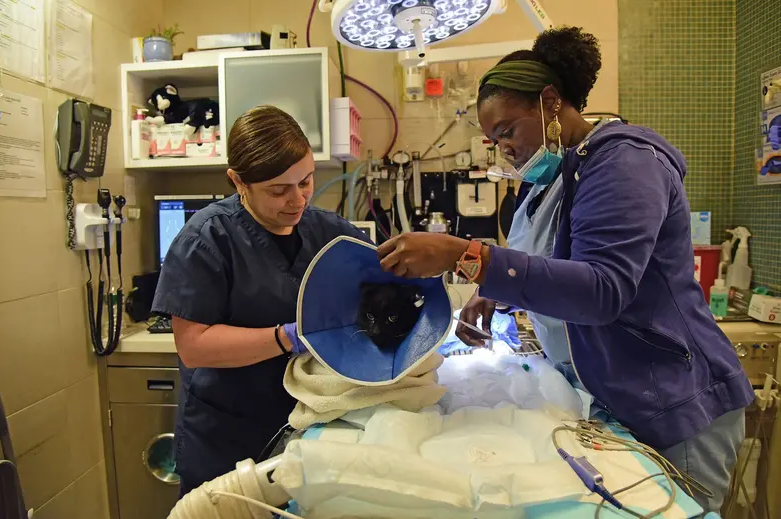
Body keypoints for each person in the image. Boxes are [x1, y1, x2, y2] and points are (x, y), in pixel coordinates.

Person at [377, 27, 754, 512]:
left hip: (672, 403)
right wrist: (497, 293)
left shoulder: (625, 162)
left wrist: (462, 255)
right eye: (493, 140)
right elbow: (553, 268)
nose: (504, 149)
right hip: (612, 399)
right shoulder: (551, 182)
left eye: (508, 131)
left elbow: (601, 290)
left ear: (551, 102)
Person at [151, 105, 367, 497]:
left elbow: (382, 279)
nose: (298, 199)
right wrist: (289, 337)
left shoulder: (328, 231)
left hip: (310, 429)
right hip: (228, 437)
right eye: (278, 190)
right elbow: (194, 346)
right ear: (238, 181)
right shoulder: (206, 240)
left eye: (305, 181)